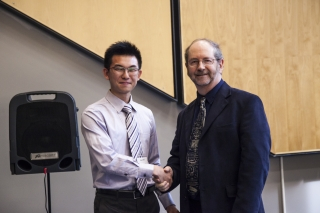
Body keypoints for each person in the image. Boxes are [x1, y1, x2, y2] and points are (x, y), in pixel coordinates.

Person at [154, 38, 271, 213]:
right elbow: (179, 159)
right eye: (194, 62)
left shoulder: (247, 104)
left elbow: (256, 168)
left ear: (220, 64)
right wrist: (170, 174)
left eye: (207, 60)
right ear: (187, 68)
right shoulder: (185, 115)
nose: (200, 67)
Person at [81, 41, 179, 213]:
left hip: (148, 202)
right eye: (119, 68)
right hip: (113, 204)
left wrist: (169, 204)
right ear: (106, 73)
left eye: (132, 69)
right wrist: (152, 169)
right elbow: (107, 161)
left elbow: (153, 163)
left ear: (139, 74)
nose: (126, 75)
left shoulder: (146, 114)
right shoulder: (93, 114)